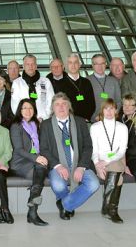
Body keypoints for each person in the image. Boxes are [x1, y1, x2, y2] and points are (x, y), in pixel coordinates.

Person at [39, 93, 99, 221]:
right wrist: (58, 166)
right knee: (59, 185)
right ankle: (69, 206)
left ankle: (65, 204)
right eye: (57, 104)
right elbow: (44, 149)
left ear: (69, 106)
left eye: (64, 104)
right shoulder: (46, 125)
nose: (61, 107)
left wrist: (81, 167)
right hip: (57, 164)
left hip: (79, 163)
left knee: (94, 183)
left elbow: (88, 147)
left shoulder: (80, 122)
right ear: (52, 108)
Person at [9, 99, 49, 226]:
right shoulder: (16, 125)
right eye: (24, 108)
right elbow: (18, 149)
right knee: (40, 171)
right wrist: (36, 158)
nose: (28, 111)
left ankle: (32, 210)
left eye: (30, 108)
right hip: (20, 163)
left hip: (34, 161)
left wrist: (40, 157)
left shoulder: (36, 124)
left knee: (41, 169)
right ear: (20, 110)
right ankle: (32, 212)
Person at [90, 99, 128, 224]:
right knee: (119, 178)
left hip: (117, 158)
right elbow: (94, 150)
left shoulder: (123, 127)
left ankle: (108, 208)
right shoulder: (95, 127)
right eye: (106, 108)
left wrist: (107, 161)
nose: (109, 112)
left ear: (116, 111)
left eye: (112, 108)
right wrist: (97, 165)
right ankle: (111, 209)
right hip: (100, 159)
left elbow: (121, 151)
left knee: (116, 166)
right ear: (102, 111)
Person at [11, 54, 54, 121]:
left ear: (36, 66)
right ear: (23, 66)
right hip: (24, 122)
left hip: (43, 121)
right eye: (27, 64)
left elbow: (51, 101)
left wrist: (44, 117)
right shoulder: (17, 83)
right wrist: (25, 119)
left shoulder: (46, 81)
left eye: (33, 64)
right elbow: (15, 105)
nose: (30, 66)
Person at [55, 53, 94, 122]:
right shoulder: (60, 84)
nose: (73, 65)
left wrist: (86, 117)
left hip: (85, 120)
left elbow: (92, 103)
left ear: (79, 65)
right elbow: (60, 105)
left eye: (76, 62)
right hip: (68, 121)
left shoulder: (86, 82)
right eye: (70, 63)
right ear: (66, 66)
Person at [88, 54, 121, 121]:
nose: (100, 66)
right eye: (96, 64)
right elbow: (84, 103)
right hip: (93, 121)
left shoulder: (114, 81)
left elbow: (118, 101)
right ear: (92, 65)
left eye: (102, 63)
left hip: (111, 120)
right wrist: (94, 117)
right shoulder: (86, 81)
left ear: (106, 64)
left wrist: (113, 114)